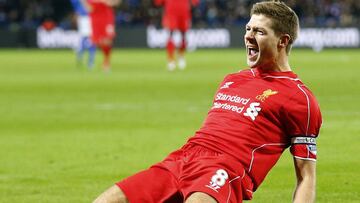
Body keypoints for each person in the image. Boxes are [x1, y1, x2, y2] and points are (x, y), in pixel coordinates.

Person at [93, 0, 322, 202]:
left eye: (259, 31)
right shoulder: (232, 80)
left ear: (283, 41)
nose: (248, 36)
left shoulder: (300, 99)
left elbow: (306, 176)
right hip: (181, 160)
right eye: (248, 28)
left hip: (224, 171)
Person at [154, 0, 199, 71]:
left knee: (183, 36)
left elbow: (195, 3)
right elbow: (158, 2)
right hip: (171, 12)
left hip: (184, 12)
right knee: (170, 35)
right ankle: (171, 60)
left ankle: (181, 56)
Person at [81, 0, 121, 72]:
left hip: (107, 18)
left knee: (107, 40)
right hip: (95, 19)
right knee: (98, 42)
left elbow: (115, 3)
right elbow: (89, 9)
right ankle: (103, 61)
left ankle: (106, 62)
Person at [70, 0, 96, 69]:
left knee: (90, 39)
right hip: (84, 18)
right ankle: (86, 59)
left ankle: (87, 59)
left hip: (91, 17)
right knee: (87, 39)